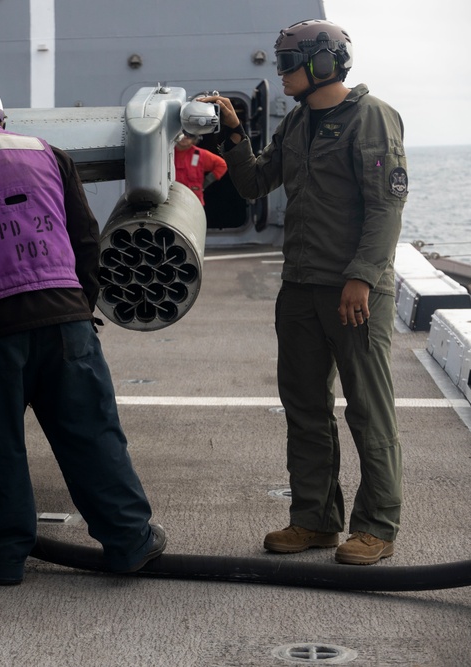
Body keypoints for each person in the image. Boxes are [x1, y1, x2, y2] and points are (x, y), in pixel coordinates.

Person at [0, 70, 166, 585]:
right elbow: (86, 240)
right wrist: (78, 310)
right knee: (93, 435)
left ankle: (3, 558)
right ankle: (130, 540)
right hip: (67, 321)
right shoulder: (50, 155)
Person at [200, 19, 407, 565]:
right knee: (305, 408)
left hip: (355, 291)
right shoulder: (296, 122)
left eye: (288, 63)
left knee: (369, 410)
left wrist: (362, 277)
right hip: (300, 288)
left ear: (323, 63)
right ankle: (315, 520)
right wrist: (235, 133)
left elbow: (386, 207)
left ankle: (377, 527)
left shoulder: (372, 117)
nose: (281, 73)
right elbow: (254, 183)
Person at [173, 132, 227, 206]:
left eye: (190, 135)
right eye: (182, 134)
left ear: (195, 139)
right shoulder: (166, 153)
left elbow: (222, 165)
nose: (185, 137)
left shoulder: (200, 155)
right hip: (172, 198)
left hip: (193, 200)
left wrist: (206, 182)